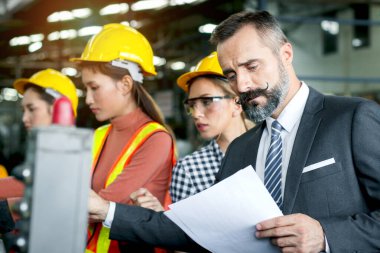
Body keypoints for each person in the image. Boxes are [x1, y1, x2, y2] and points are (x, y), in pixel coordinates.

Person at [88, 11, 380, 253]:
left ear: (286, 54)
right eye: (230, 74)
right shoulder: (241, 150)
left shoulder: (351, 118)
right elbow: (202, 231)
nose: (241, 85)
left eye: (251, 66)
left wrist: (326, 236)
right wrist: (107, 211)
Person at [71, 23, 176, 253]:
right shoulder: (100, 134)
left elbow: (96, 206)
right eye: (85, 89)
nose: (88, 99)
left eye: (94, 87)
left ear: (125, 84)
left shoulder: (156, 139)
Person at [131, 51, 253, 212]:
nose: (196, 114)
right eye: (192, 105)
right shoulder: (189, 170)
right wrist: (162, 219)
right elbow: (183, 235)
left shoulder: (273, 152)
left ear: (237, 103)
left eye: (207, 101)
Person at [0, 68, 79, 242]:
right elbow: (28, 184)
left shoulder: (75, 157)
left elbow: (42, 194)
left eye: (32, 109)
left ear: (59, 107)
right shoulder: (48, 154)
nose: (24, 119)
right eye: (23, 110)